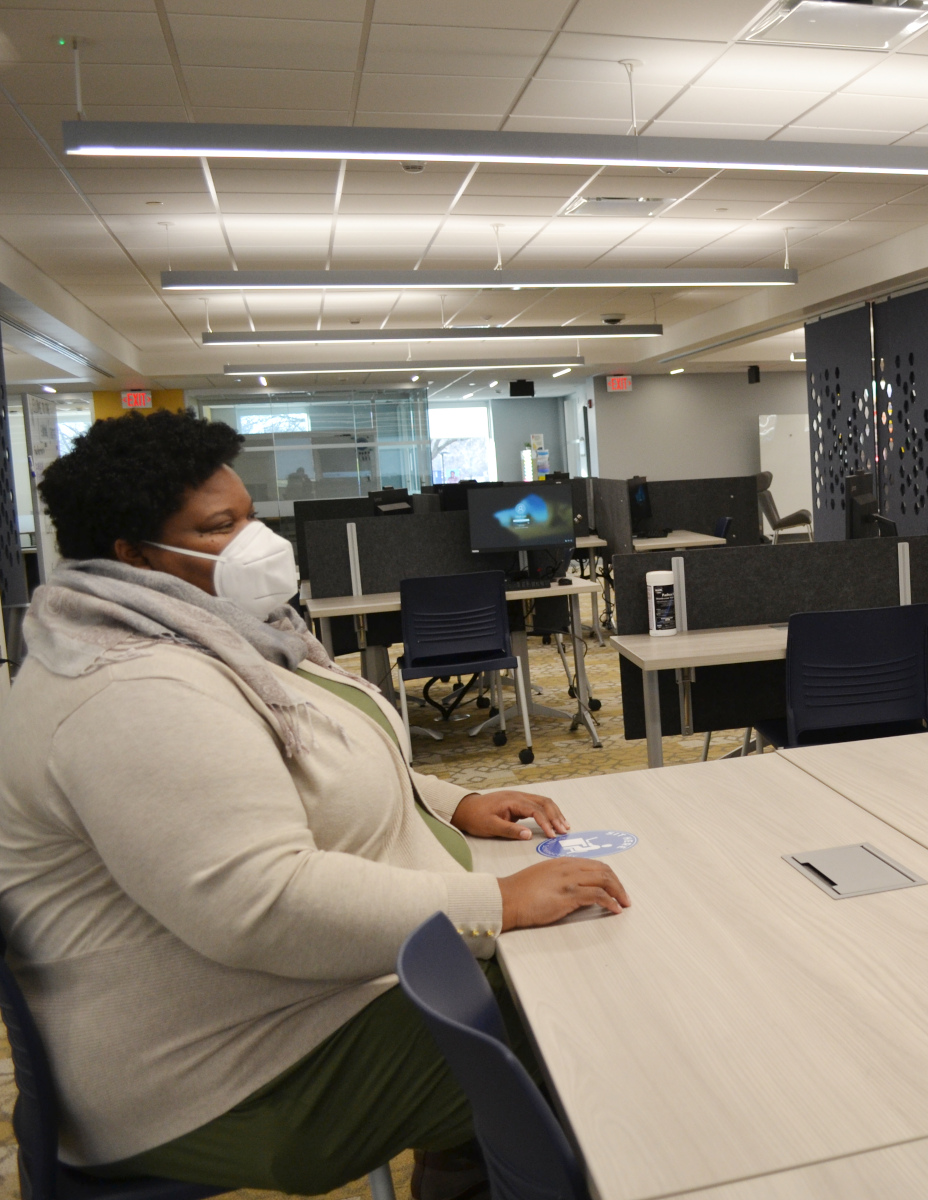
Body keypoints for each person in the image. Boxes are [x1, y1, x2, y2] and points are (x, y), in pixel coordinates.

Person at [0, 410, 630, 1197]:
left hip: (289, 995)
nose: (255, 543)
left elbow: (325, 753)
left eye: (250, 516)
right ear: (132, 555)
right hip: (231, 1067)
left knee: (566, 980)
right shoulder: (129, 688)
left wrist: (450, 801)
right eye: (220, 527)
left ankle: (466, 1167)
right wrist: (494, 901)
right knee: (579, 1031)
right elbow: (261, 903)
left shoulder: (218, 632)